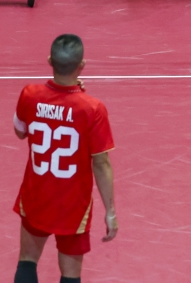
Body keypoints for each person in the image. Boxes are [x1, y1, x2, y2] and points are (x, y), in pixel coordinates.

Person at [12, 34, 118, 283]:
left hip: (36, 196)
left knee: (27, 260)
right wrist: (110, 211)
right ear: (82, 66)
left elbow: (20, 132)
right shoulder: (92, 109)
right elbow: (101, 163)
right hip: (73, 206)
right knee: (70, 275)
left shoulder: (29, 95)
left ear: (50, 60)